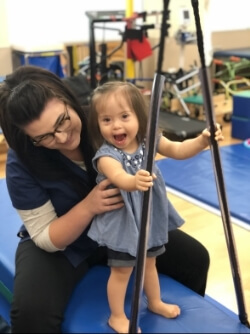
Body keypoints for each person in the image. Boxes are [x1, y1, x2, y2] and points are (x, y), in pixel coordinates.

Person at [0, 65, 211, 334]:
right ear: (27, 137)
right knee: (31, 313)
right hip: (65, 244)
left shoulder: (104, 120)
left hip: (124, 225)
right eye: (44, 137)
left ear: (68, 98)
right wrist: (89, 206)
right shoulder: (22, 163)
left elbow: (165, 143)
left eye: (62, 121)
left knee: (195, 258)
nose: (63, 137)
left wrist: (202, 141)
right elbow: (45, 237)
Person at [87, 81, 224, 333]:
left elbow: (178, 150)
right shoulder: (107, 156)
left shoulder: (149, 141)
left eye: (124, 116)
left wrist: (202, 141)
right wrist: (133, 180)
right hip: (124, 222)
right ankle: (117, 315)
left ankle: (156, 301)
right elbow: (118, 177)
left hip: (148, 216)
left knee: (150, 263)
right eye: (106, 120)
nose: (116, 125)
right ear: (98, 124)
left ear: (139, 116)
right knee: (122, 270)